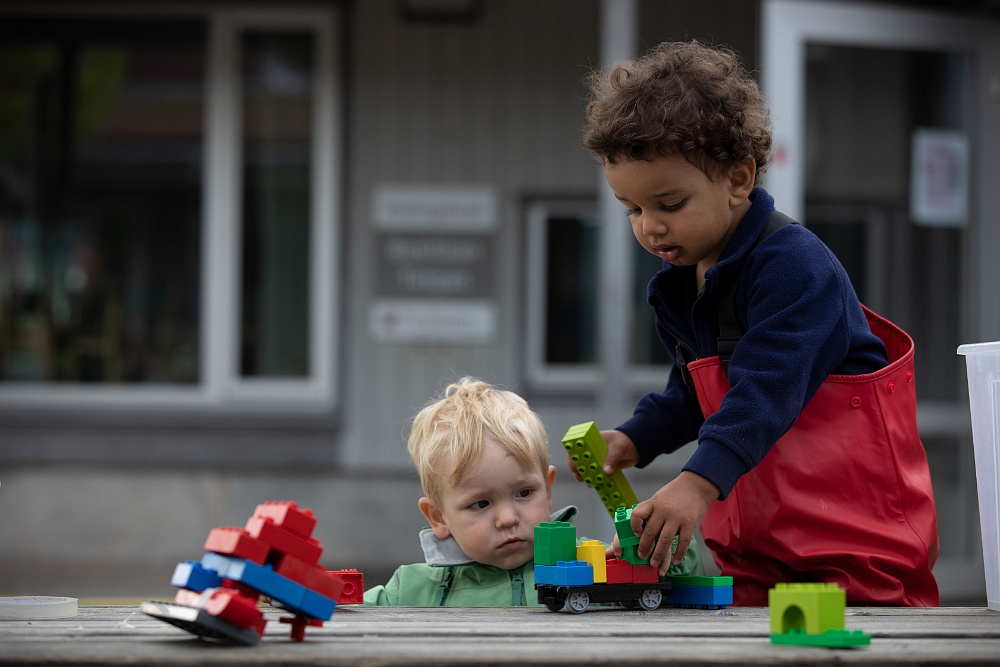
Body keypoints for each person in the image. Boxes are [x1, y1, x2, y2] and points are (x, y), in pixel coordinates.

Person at [575, 40, 939, 606]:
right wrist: (636, 437)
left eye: (669, 204)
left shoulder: (795, 268)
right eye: (633, 209)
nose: (650, 227)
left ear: (739, 179)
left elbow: (765, 390)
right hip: (756, 552)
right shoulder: (680, 283)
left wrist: (695, 485)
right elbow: (696, 396)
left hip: (853, 547)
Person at [364, 376, 702, 606]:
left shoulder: (593, 566)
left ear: (548, 489)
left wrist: (650, 541)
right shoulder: (407, 590)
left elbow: (679, 573)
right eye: (480, 503)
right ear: (438, 517)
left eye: (524, 493)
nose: (508, 518)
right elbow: (339, 608)